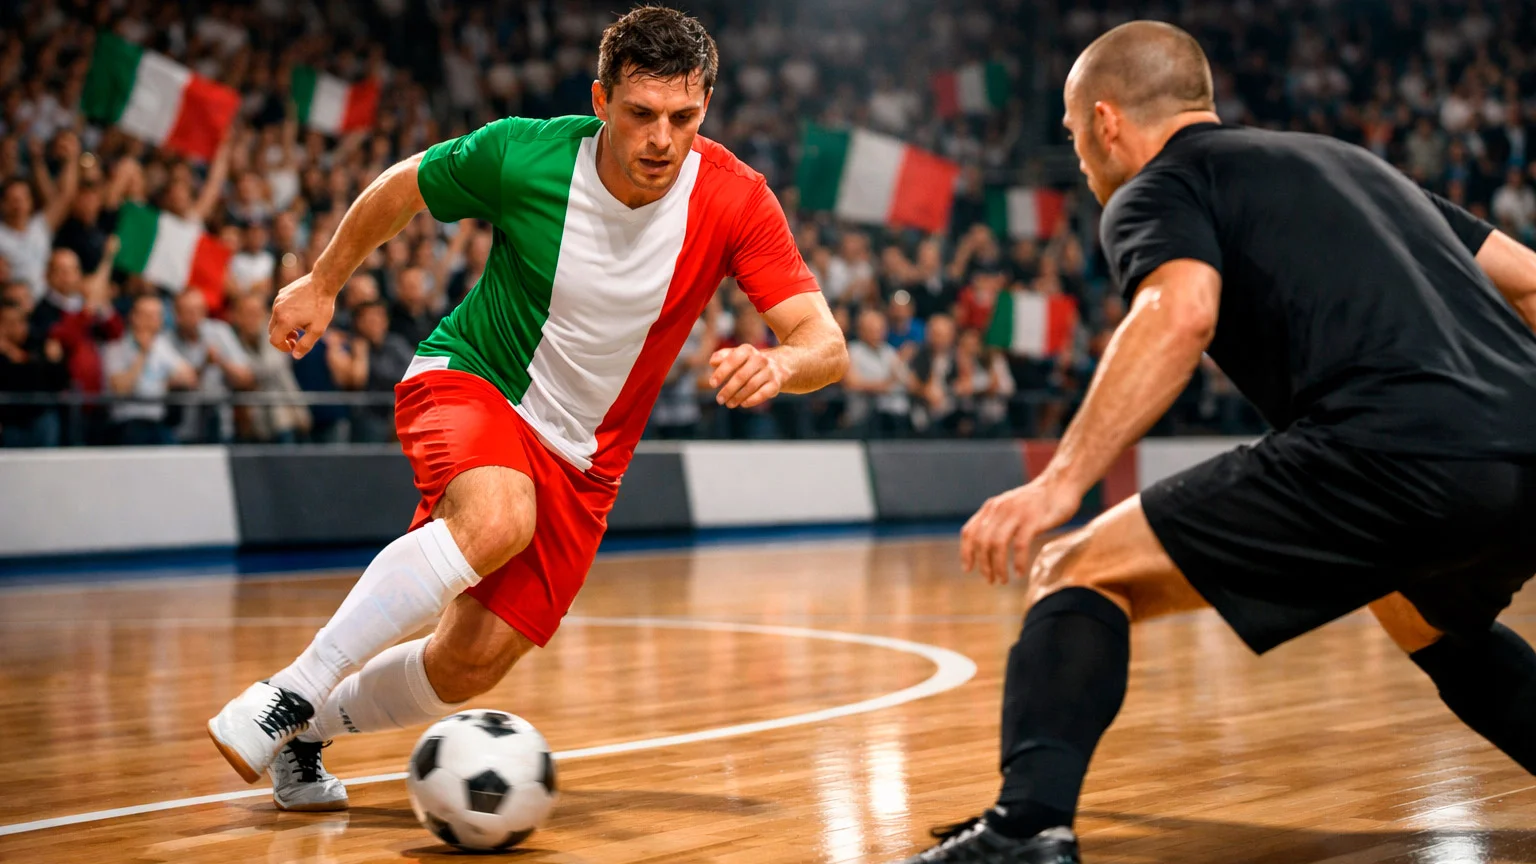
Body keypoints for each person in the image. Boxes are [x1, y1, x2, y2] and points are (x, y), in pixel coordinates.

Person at [901, 21, 1536, 864]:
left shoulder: (1158, 186)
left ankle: (1026, 828)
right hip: (1525, 448)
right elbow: (1531, 282)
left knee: (1077, 567)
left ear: (1106, 122)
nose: (1079, 159)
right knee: (1421, 615)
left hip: (1389, 446)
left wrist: (1060, 482)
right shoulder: (1354, 165)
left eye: (1073, 134)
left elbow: (1180, 314)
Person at [207, 5, 846, 816]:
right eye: (641, 114)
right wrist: (323, 282)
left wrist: (781, 363)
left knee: (466, 665)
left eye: (683, 118)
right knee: (500, 516)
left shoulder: (736, 199)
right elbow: (405, 185)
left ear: (705, 108)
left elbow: (826, 344)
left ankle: (307, 733)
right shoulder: (523, 153)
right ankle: (290, 691)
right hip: (476, 378)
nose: (662, 139)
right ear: (601, 99)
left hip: (586, 464)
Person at [102, 295, 196, 446]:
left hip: (157, 421)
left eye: (157, 315)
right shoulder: (116, 348)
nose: (153, 320)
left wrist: (166, 382)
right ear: (134, 317)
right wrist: (143, 354)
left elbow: (190, 378)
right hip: (127, 422)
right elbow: (120, 389)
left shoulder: (162, 346)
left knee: (174, 449)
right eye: (148, 315)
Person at [167, 289, 255, 443]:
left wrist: (220, 361)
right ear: (177, 315)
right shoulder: (167, 340)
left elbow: (245, 378)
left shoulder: (220, 332)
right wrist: (204, 363)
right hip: (183, 429)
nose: (195, 317)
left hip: (220, 424)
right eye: (189, 312)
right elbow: (183, 381)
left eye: (199, 310)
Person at [0, 300, 68, 447]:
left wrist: (55, 361)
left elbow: (58, 381)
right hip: (10, 422)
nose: (17, 327)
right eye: (9, 323)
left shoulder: (38, 343)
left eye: (21, 321)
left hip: (41, 416)